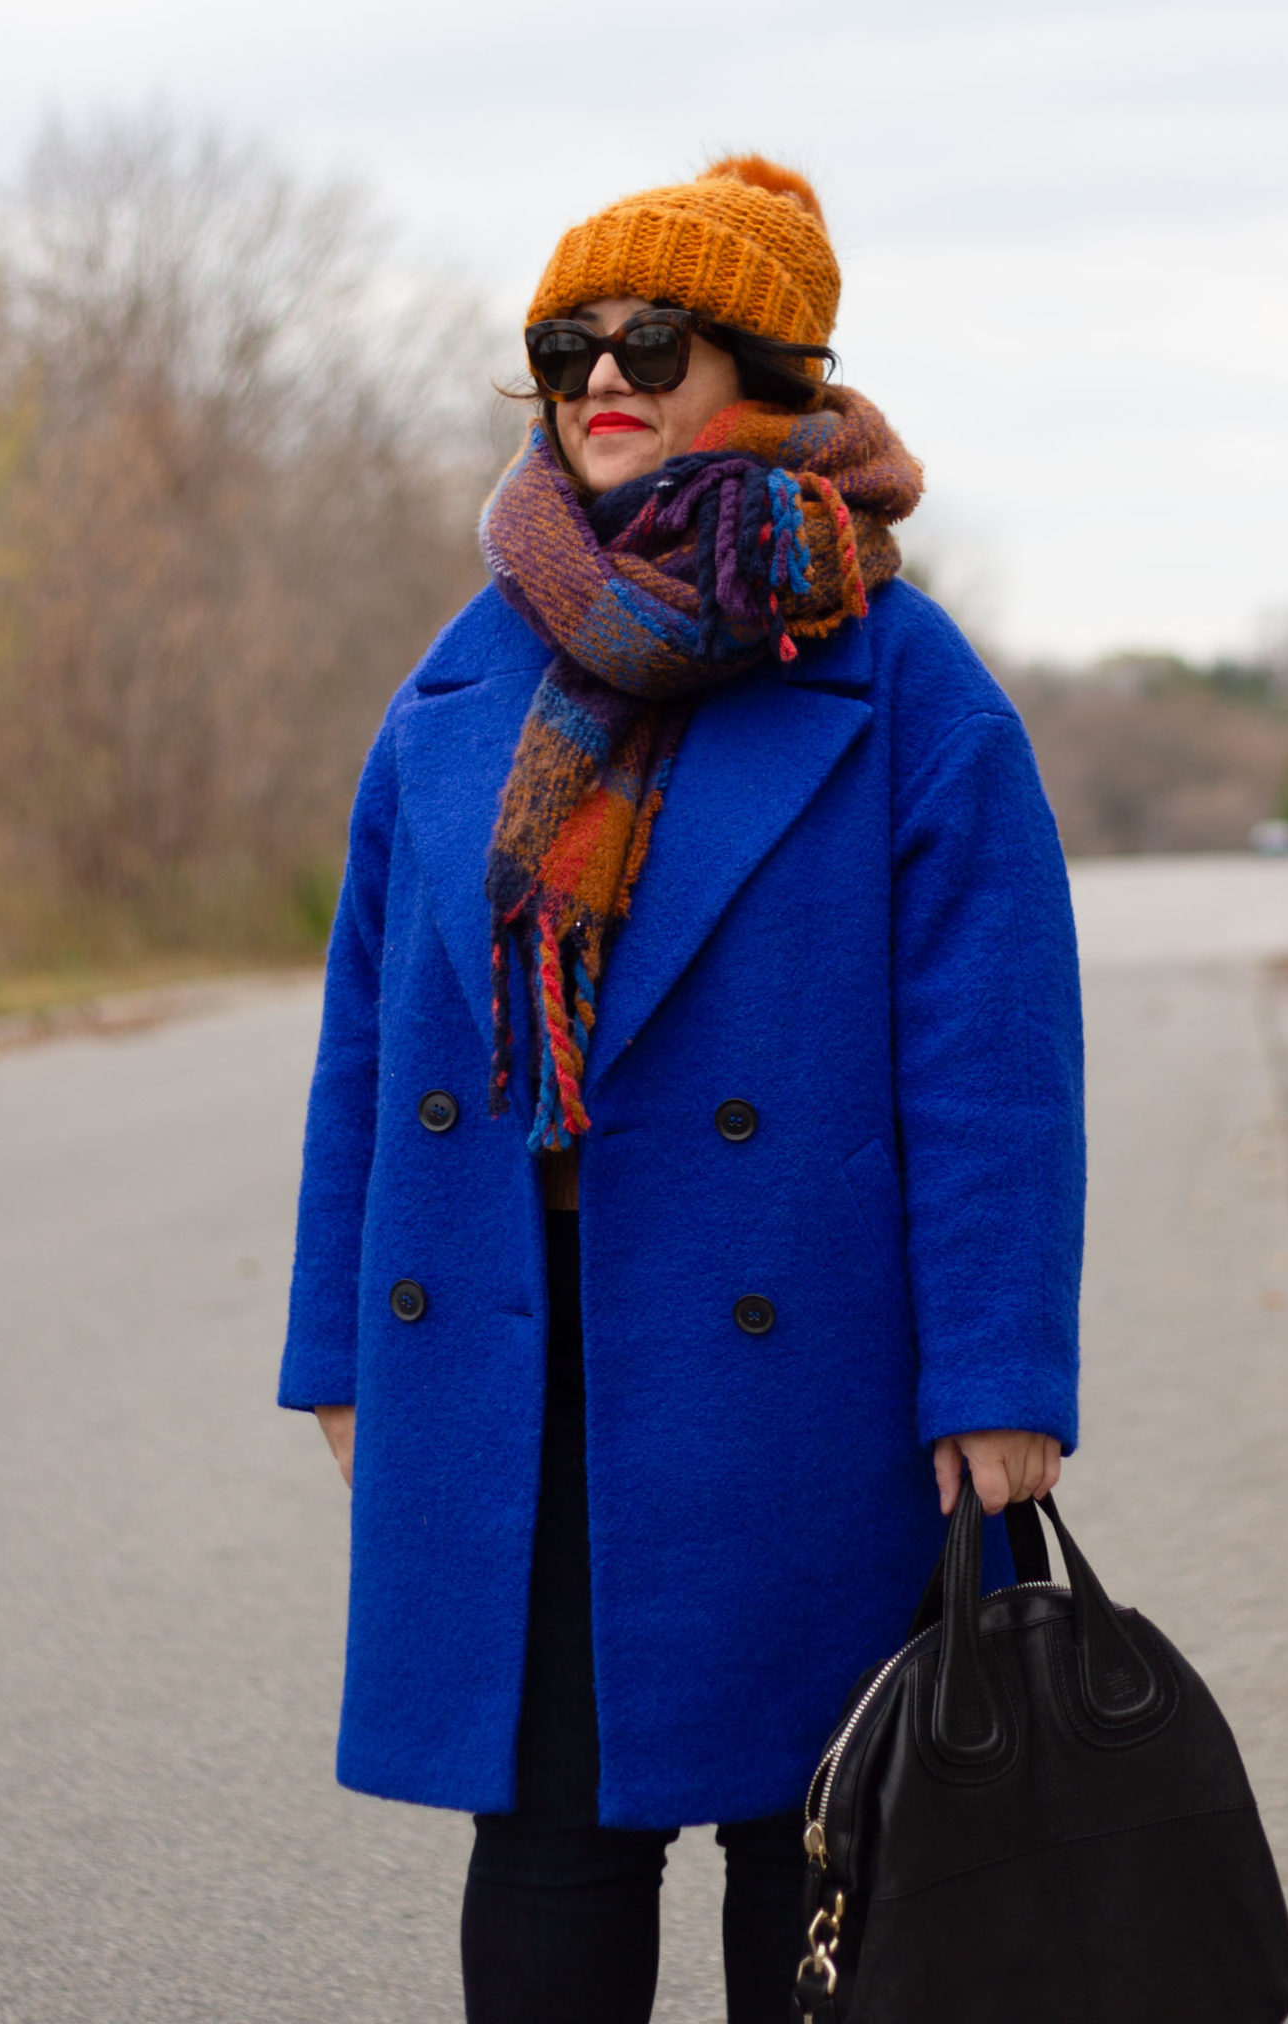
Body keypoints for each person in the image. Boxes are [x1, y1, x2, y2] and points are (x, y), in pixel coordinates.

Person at [279, 155, 1083, 2024]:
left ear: (775, 374)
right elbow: (370, 1042)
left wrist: (1000, 1381)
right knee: (545, 1839)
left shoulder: (909, 682)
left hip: (813, 1363)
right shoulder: (463, 676)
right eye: (568, 345)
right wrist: (344, 1338)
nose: (603, 378)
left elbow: (996, 1074)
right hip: (521, 1347)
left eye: (659, 339)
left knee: (811, 1837)